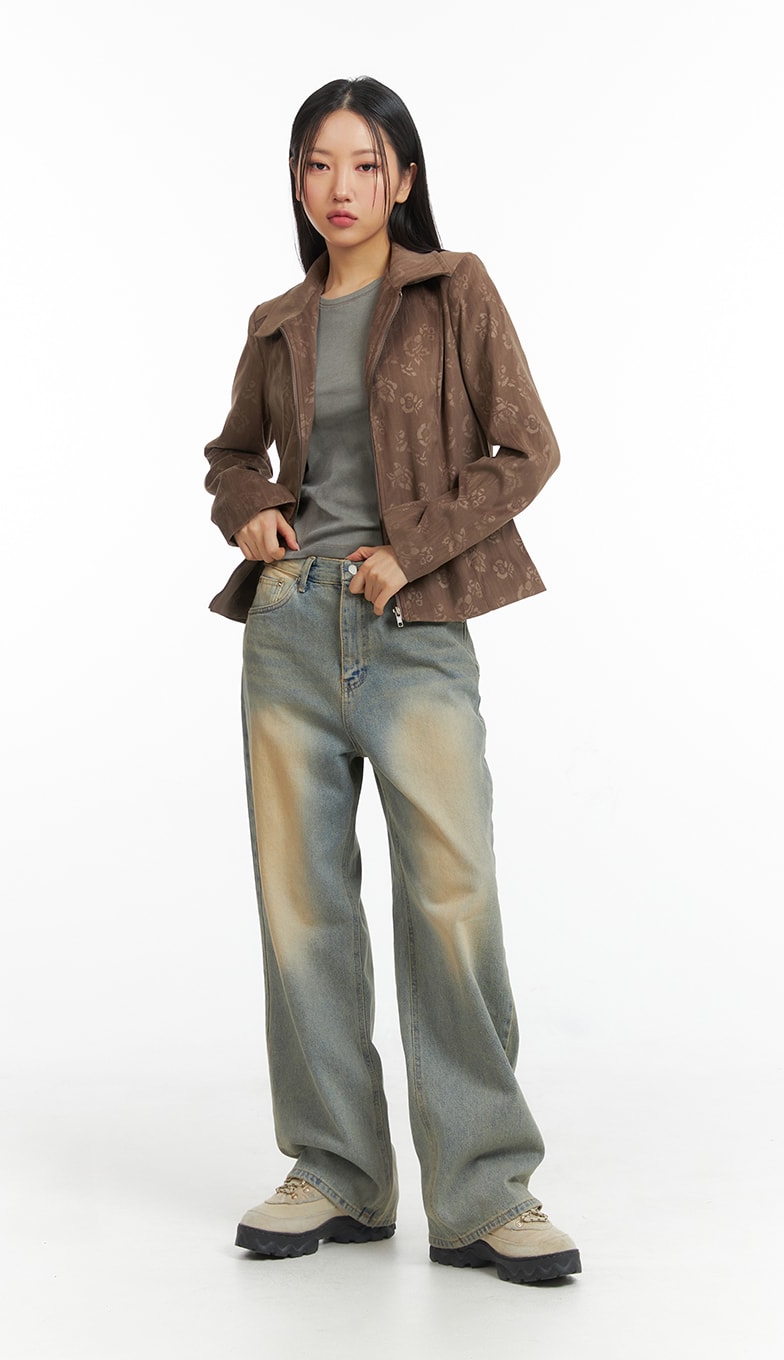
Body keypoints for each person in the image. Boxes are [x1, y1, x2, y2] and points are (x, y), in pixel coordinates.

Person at [204, 75, 580, 1286]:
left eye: (364, 164)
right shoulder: (277, 320)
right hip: (288, 630)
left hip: (412, 628)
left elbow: (527, 449)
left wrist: (409, 550)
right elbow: (230, 455)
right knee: (301, 907)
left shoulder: (452, 288)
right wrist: (250, 509)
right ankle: (337, 1172)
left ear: (403, 179)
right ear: (296, 180)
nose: (340, 187)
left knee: (451, 900)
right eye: (318, 164)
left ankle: (484, 1191)